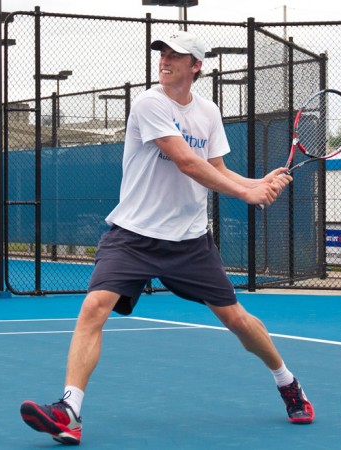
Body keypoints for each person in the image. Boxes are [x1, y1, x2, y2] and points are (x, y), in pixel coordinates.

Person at [19, 31, 313, 445]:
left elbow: (217, 169)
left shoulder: (208, 113)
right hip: (133, 236)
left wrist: (255, 182)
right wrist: (247, 193)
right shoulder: (149, 103)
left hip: (190, 241)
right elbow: (186, 162)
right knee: (94, 307)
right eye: (163, 52)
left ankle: (287, 382)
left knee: (237, 320)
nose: (166, 59)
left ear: (197, 66)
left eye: (178, 55)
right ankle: (69, 411)